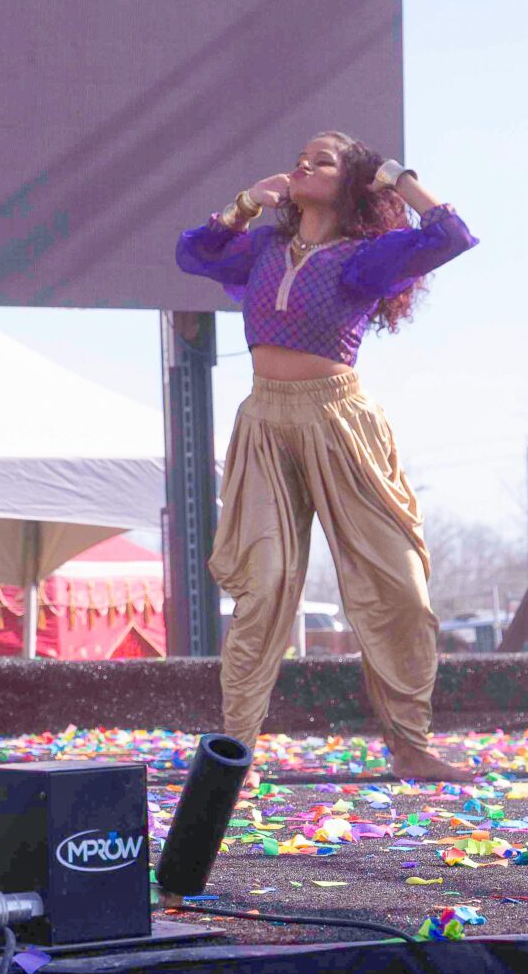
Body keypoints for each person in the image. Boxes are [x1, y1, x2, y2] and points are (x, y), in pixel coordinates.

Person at [176, 133, 475, 784]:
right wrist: (243, 205)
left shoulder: (365, 257)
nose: (304, 163)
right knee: (265, 584)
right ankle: (235, 750)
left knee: (399, 586)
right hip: (265, 423)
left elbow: (450, 235)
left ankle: (411, 743)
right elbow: (193, 253)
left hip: (341, 423)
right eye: (301, 156)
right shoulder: (263, 247)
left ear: (351, 183)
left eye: (324, 160)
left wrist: (396, 177)